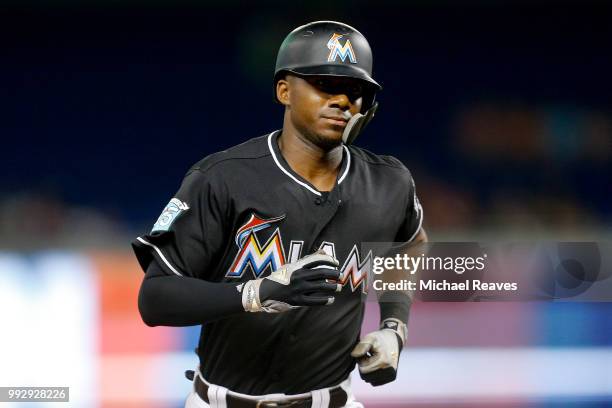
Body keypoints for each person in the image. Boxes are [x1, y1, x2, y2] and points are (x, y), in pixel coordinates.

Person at [132, 20, 427, 408]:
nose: (341, 100)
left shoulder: (389, 182)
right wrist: (259, 293)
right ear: (284, 90)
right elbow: (155, 300)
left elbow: (410, 245)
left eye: (355, 90)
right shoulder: (223, 178)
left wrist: (394, 327)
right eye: (324, 85)